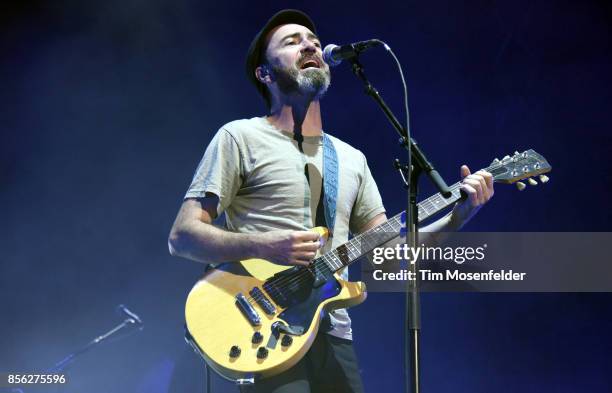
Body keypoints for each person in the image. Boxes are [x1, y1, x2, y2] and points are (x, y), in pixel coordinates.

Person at [168, 9, 494, 393]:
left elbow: (388, 258)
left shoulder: (351, 159)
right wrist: (266, 245)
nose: (309, 45)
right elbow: (183, 236)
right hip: (266, 330)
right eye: (291, 42)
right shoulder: (239, 138)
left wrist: (459, 215)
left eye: (314, 41)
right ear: (265, 73)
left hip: (335, 334)